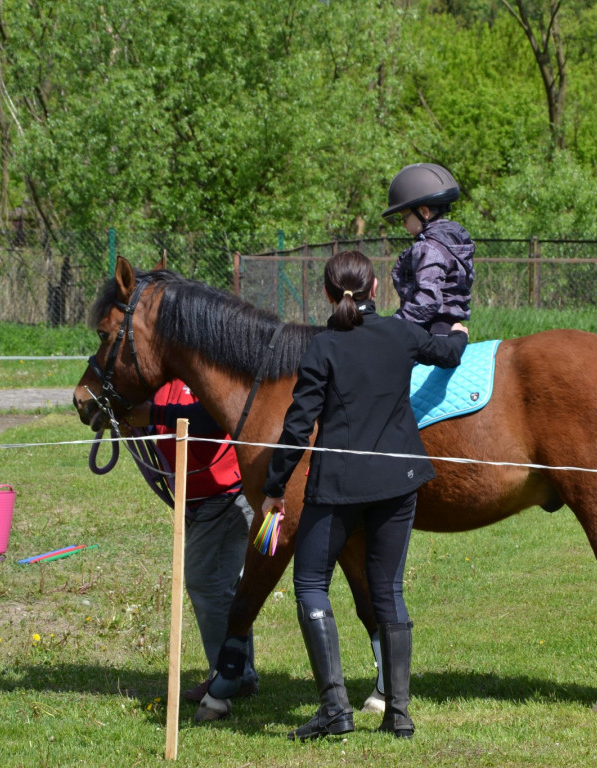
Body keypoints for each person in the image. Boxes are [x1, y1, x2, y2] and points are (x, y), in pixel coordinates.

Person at [261, 249, 468, 741]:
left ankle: (335, 710)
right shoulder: (400, 333)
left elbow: (297, 426)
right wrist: (459, 330)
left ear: (328, 294)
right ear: (376, 288)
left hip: (338, 487)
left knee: (310, 584)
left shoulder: (322, 347)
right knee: (388, 590)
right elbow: (448, 354)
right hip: (398, 482)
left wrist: (273, 488)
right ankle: (399, 714)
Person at [127, 380, 259, 703]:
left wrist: (152, 414)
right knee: (223, 587)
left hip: (224, 496)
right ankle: (238, 672)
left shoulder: (206, 369)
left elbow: (212, 418)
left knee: (206, 582)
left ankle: (227, 675)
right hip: (206, 498)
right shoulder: (164, 378)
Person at [383, 162, 475, 335]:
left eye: (404, 218)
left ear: (424, 212)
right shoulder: (454, 242)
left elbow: (427, 300)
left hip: (429, 330)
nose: (403, 225)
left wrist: (395, 324)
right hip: (450, 327)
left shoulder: (429, 248)